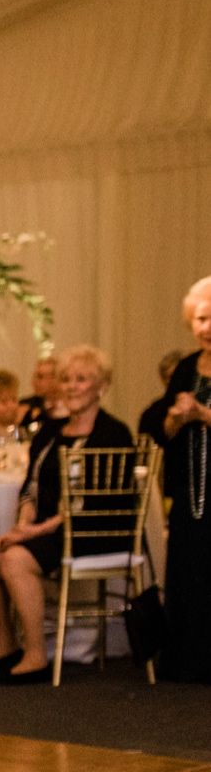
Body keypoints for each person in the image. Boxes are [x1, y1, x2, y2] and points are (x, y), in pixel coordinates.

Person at [0, 345, 136, 685]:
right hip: (49, 530)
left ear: (101, 387)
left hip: (94, 530)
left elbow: (88, 505)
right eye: (66, 379)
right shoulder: (49, 432)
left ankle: (36, 656)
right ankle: (6, 645)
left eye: (81, 379)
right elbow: (30, 486)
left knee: (15, 559)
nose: (72, 386)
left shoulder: (112, 434)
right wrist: (22, 524)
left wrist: (29, 535)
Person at [159, 278, 211, 683]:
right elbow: (166, 429)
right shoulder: (185, 368)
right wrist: (177, 417)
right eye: (200, 319)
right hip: (189, 488)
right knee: (187, 568)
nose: (206, 327)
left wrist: (203, 415)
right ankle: (186, 660)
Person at [21, 355, 60, 429]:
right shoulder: (25, 405)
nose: (34, 381)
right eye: (34, 376)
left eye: (40, 377)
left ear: (56, 379)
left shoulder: (67, 407)